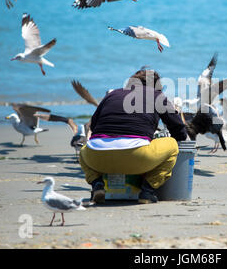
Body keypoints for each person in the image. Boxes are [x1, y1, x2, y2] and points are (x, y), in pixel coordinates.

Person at [79, 69, 188, 204]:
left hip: (97, 159)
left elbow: (94, 127)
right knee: (172, 145)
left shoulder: (112, 95)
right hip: (136, 158)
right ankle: (147, 191)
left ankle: (97, 185)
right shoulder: (156, 95)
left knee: (84, 150)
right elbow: (179, 129)